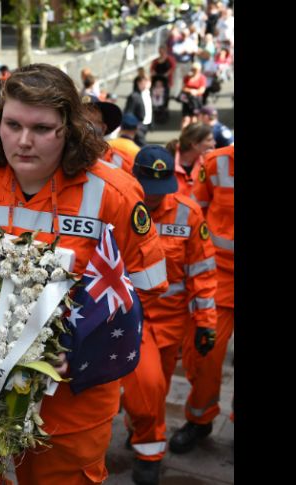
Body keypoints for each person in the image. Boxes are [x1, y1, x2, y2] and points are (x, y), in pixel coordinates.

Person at [0, 63, 167, 484]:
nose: (23, 141)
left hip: (71, 394)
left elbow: (146, 289)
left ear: (70, 128)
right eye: (12, 124)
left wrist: (82, 351)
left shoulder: (114, 193)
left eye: (41, 128)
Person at [121, 145, 217, 485]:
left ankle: (141, 430)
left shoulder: (187, 214)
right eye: (148, 190)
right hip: (126, 317)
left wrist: (206, 323)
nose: (155, 199)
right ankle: (150, 451)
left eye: (160, 192)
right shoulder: (118, 205)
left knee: (154, 389)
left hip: (168, 323)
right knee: (145, 385)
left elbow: (202, 275)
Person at [170, 145, 234, 455]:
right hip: (219, 276)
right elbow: (196, 214)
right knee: (204, 353)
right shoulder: (216, 161)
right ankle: (200, 419)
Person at [81, 94, 135, 176]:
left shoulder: (121, 162)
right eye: (79, 121)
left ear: (103, 128)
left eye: (91, 122)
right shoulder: (60, 160)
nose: (85, 127)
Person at [166, 122, 215, 197]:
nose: (214, 143)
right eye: (209, 140)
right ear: (194, 144)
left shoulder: (208, 163)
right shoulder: (166, 163)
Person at [124, 74, 152, 146]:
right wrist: (134, 125)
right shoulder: (134, 96)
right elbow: (129, 112)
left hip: (146, 124)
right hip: (138, 125)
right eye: (144, 82)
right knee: (142, 145)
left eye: (147, 81)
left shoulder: (146, 93)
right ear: (138, 83)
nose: (146, 84)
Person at [179, 62, 207, 128]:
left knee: (194, 119)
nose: (194, 71)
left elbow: (202, 90)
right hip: (187, 99)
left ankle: (193, 135)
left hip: (196, 101)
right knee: (186, 119)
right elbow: (183, 88)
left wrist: (196, 92)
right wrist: (190, 90)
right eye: (193, 69)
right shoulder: (187, 77)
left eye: (196, 69)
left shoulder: (202, 78)